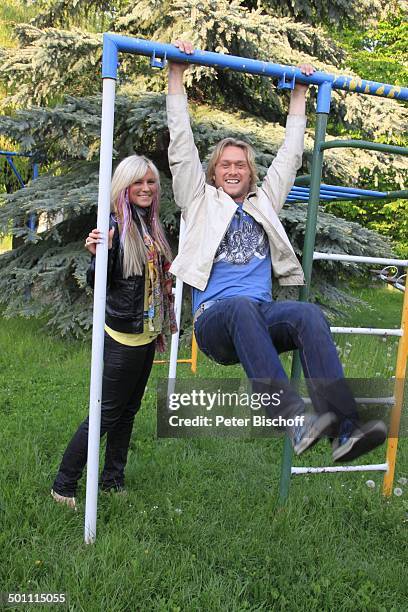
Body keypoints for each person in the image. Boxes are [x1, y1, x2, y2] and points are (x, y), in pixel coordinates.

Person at [166, 40, 387, 461]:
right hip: (217, 323)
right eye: (225, 165)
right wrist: (176, 74)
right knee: (240, 307)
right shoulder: (197, 200)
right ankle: (290, 417)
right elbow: (180, 144)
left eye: (241, 165)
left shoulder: (264, 204)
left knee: (307, 313)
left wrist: (299, 94)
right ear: (213, 172)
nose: (233, 170)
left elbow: (289, 156)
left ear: (250, 173)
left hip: (259, 316)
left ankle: (345, 429)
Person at [51, 155, 176, 509]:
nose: (146, 188)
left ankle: (112, 479)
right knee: (106, 413)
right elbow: (97, 284)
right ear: (123, 186)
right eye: (138, 182)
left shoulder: (148, 223)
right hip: (124, 337)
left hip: (147, 333)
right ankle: (63, 485)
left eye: (151, 182)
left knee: (128, 411)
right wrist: (96, 255)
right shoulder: (115, 226)